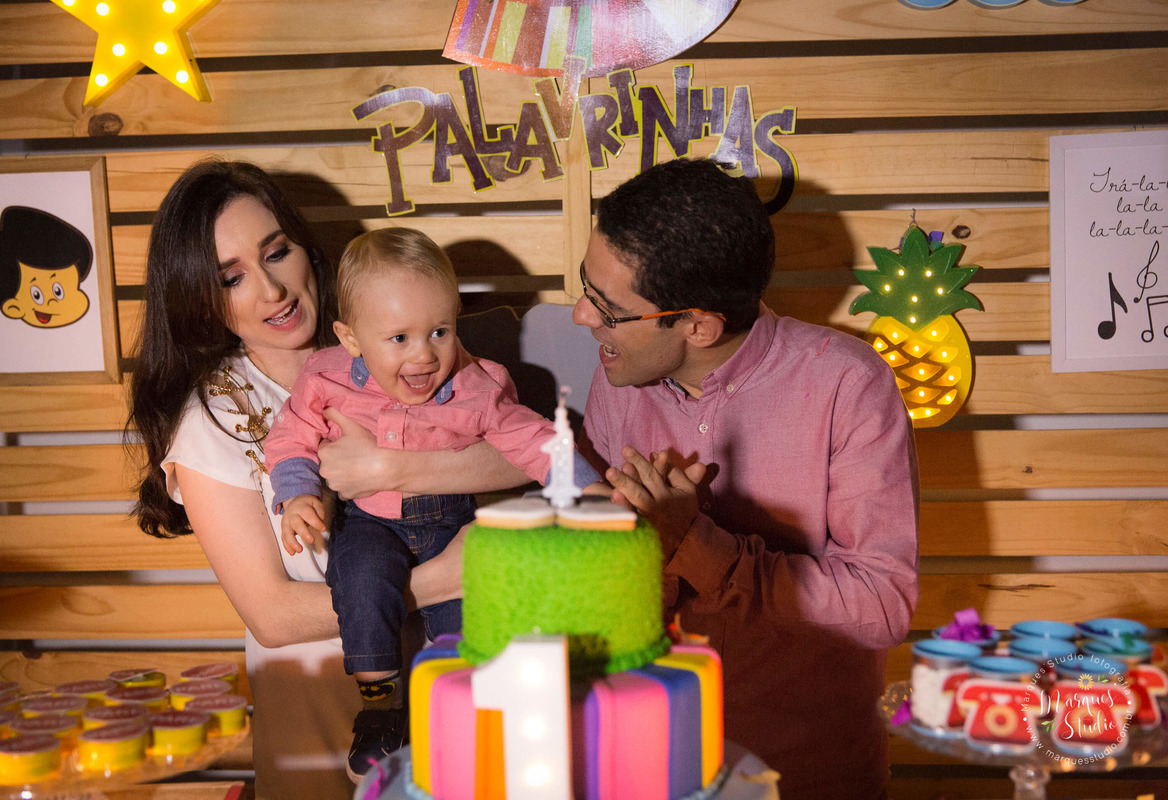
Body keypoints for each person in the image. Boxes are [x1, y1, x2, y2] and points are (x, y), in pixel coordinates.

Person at [126, 160, 530, 798]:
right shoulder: (214, 414)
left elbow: (517, 451)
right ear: (201, 300)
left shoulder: (394, 341)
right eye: (232, 277)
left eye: (276, 252)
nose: (272, 290)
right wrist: (443, 578)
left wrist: (393, 468)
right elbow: (273, 615)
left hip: (443, 670)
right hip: (316, 694)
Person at [573, 157, 919, 800]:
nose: (580, 316)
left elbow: (881, 607)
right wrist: (617, 542)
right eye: (585, 286)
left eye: (608, 308)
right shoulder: (617, 376)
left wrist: (697, 543)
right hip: (650, 763)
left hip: (806, 774)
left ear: (699, 325)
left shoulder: (846, 384)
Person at [262, 227, 601, 774]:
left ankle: (465, 713)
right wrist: (297, 493)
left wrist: (587, 486)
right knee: (362, 584)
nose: (424, 355)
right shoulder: (323, 377)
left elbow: (534, 440)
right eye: (398, 339)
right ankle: (378, 707)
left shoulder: (479, 385)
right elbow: (290, 437)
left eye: (440, 331)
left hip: (451, 520)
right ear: (350, 339)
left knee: (466, 621)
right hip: (372, 523)